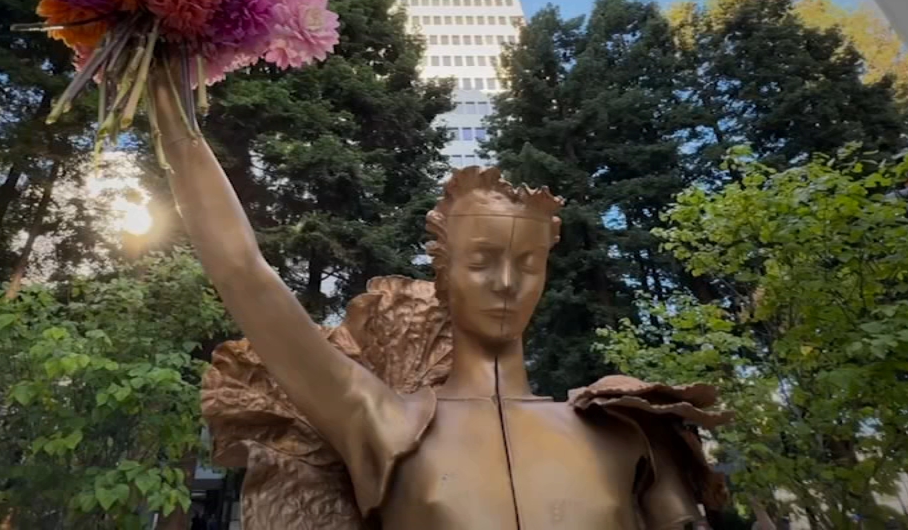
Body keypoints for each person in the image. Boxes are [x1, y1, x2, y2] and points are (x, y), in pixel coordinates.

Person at [151, 60, 730, 530]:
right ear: (444, 275)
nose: (507, 282)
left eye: (528, 264)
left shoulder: (627, 426)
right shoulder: (383, 425)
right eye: (481, 262)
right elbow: (244, 273)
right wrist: (170, 106)